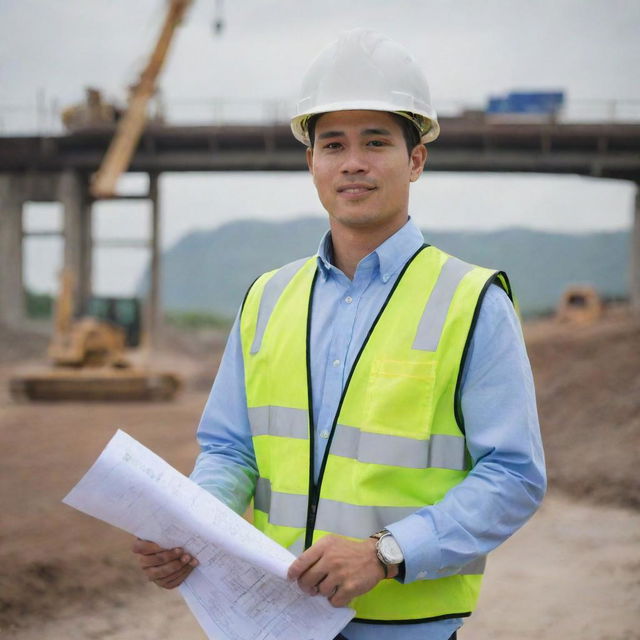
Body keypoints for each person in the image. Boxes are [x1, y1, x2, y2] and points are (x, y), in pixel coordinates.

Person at [132, 29, 546, 640]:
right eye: (333, 144)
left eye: (375, 141)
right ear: (312, 162)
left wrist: (386, 553)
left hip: (406, 627)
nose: (352, 161)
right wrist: (196, 527)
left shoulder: (472, 303)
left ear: (416, 159)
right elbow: (231, 450)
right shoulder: (268, 298)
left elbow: (513, 474)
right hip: (270, 618)